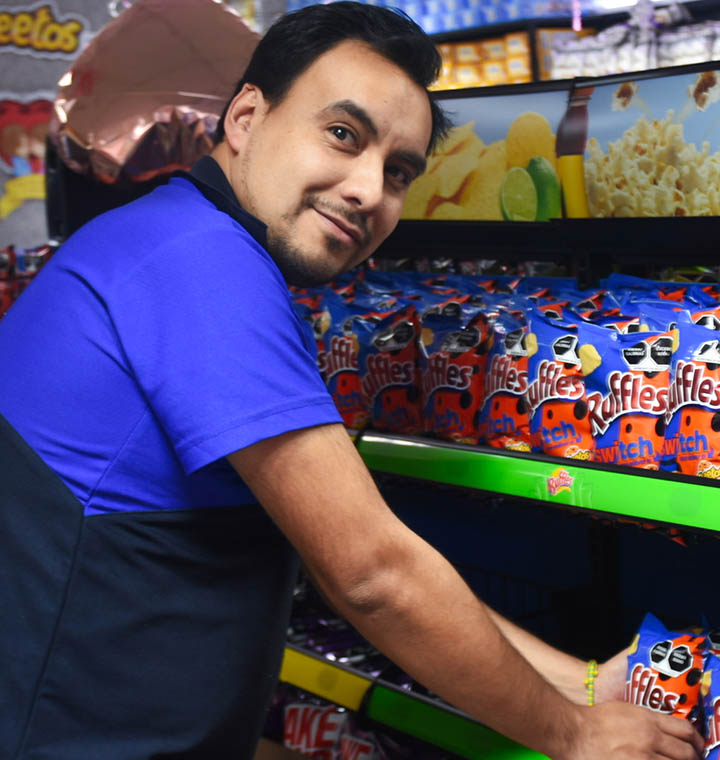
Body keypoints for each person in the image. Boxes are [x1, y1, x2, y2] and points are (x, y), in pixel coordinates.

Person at [0, 3, 703, 759]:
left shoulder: (172, 238)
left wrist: (584, 684)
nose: (369, 190)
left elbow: (344, 546)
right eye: (343, 134)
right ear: (245, 117)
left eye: (399, 170)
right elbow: (370, 573)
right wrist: (573, 734)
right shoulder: (199, 265)